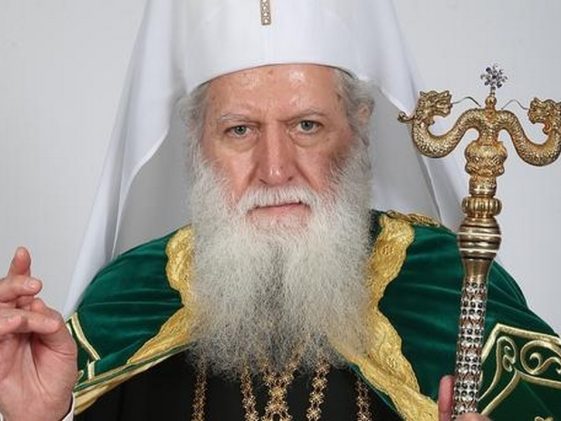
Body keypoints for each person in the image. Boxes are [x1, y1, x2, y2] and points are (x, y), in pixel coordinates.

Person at [1, 1, 560, 420]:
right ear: (196, 141)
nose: (274, 170)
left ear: (359, 127)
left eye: (307, 126)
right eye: (240, 130)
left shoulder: (451, 293)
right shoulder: (124, 306)